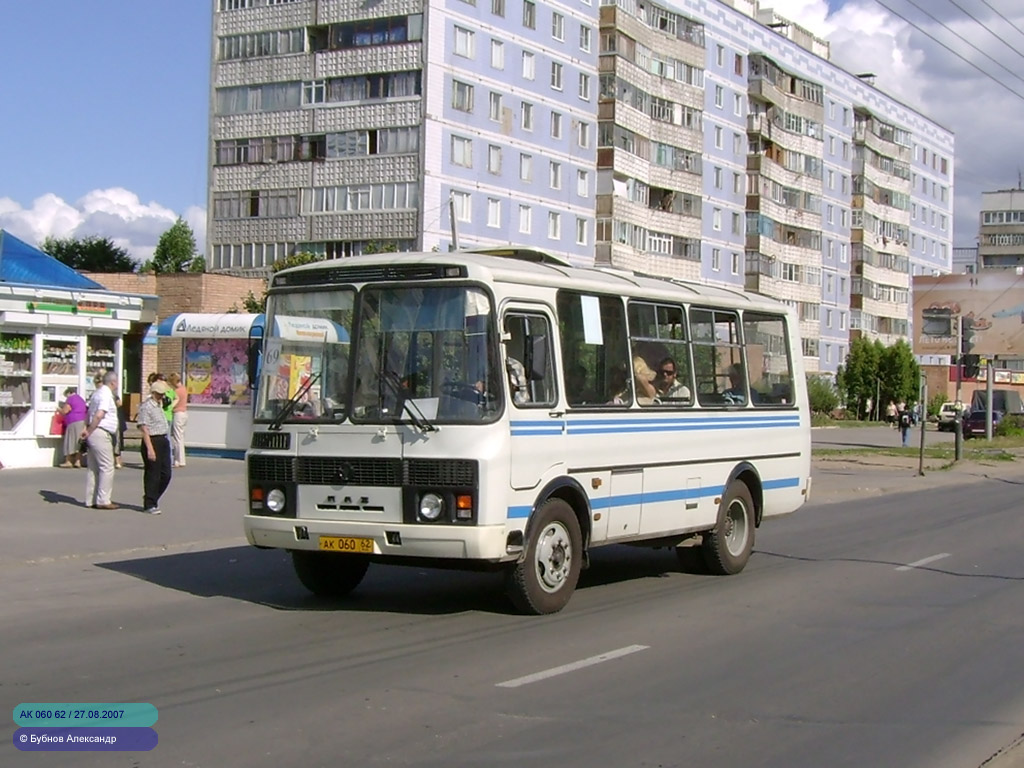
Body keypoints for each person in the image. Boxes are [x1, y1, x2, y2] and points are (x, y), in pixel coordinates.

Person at [82, 371, 120, 510]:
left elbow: (89, 413)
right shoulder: (105, 395)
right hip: (100, 431)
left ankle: (90, 499)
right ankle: (103, 500)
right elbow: (99, 415)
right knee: (107, 466)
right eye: (116, 382)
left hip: (93, 431)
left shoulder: (96, 393)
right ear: (113, 382)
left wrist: (86, 428)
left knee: (93, 467)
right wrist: (90, 429)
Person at [137, 379, 174, 514]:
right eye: (158, 394)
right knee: (153, 474)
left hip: (163, 439)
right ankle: (150, 503)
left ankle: (152, 497)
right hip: (152, 440)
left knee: (166, 474)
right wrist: (150, 448)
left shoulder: (159, 405)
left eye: (162, 394)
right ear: (152, 393)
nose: (161, 396)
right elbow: (144, 427)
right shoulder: (147, 406)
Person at [58, 386, 88, 468]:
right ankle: (78, 461)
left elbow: (65, 411)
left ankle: (68, 461)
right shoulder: (81, 399)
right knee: (79, 442)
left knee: (70, 441)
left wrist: (59, 409)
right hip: (82, 421)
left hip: (73, 421)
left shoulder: (71, 399)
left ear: (69, 393)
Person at [168, 372, 188, 467]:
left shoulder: (176, 391)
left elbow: (173, 404)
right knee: (181, 437)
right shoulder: (184, 389)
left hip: (178, 414)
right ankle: (181, 459)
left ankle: (178, 460)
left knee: (177, 438)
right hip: (184, 413)